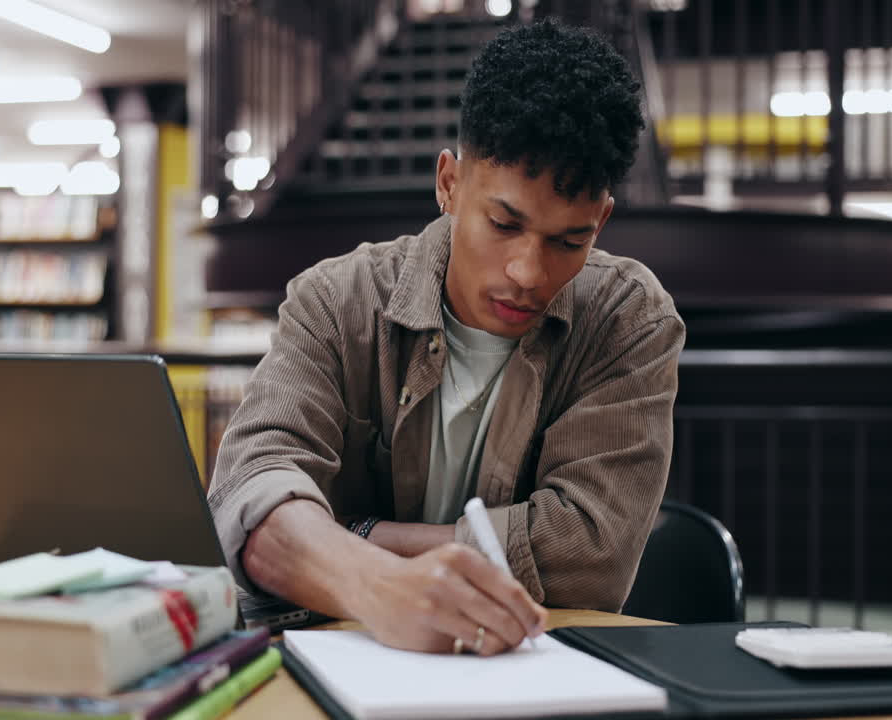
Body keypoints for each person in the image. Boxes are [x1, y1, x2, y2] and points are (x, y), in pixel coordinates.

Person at [208, 18, 685, 656]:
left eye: (570, 240)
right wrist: (379, 586)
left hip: (538, 676)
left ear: (601, 219)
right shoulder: (336, 300)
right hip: (344, 666)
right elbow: (251, 499)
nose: (528, 273)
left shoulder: (630, 320)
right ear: (449, 183)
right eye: (503, 223)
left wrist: (355, 536)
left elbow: (591, 560)